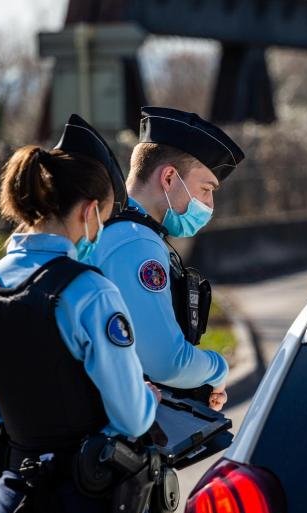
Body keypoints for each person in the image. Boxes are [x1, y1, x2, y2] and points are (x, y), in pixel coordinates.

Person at [0, 114, 160, 513]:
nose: (100, 231)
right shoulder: (90, 292)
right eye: (104, 218)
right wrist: (148, 397)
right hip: (91, 512)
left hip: (16, 507)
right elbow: (132, 417)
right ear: (89, 211)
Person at [88, 106, 245, 413]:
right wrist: (217, 369)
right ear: (170, 177)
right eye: (206, 189)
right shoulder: (136, 242)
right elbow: (167, 362)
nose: (209, 204)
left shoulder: (110, 224)